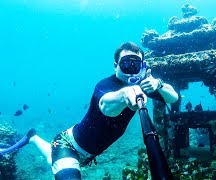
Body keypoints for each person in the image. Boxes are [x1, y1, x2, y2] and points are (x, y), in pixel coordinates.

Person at [0, 42, 179, 179]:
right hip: (67, 145)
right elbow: (106, 106)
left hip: (87, 154)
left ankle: (33, 137)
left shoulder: (144, 85)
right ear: (115, 65)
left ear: (143, 66)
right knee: (62, 166)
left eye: (135, 64)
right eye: (125, 64)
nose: (130, 71)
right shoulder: (105, 85)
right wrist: (125, 95)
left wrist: (159, 84)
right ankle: (36, 141)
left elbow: (174, 98)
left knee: (50, 159)